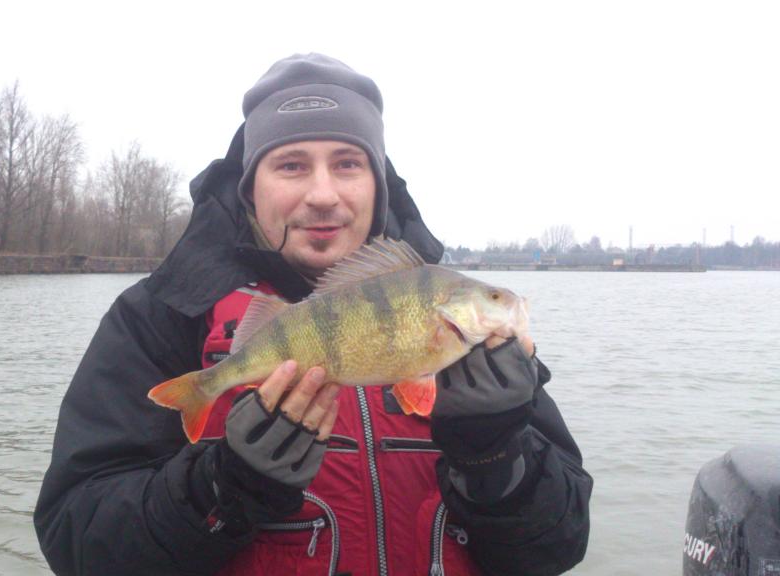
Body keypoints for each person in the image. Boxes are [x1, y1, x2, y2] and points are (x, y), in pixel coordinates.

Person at [34, 53, 592, 576]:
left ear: (378, 185)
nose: (323, 194)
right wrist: (222, 489)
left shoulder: (479, 342)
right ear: (250, 189)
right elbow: (75, 540)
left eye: (348, 164)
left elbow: (560, 544)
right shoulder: (163, 315)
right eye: (292, 165)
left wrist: (495, 456)